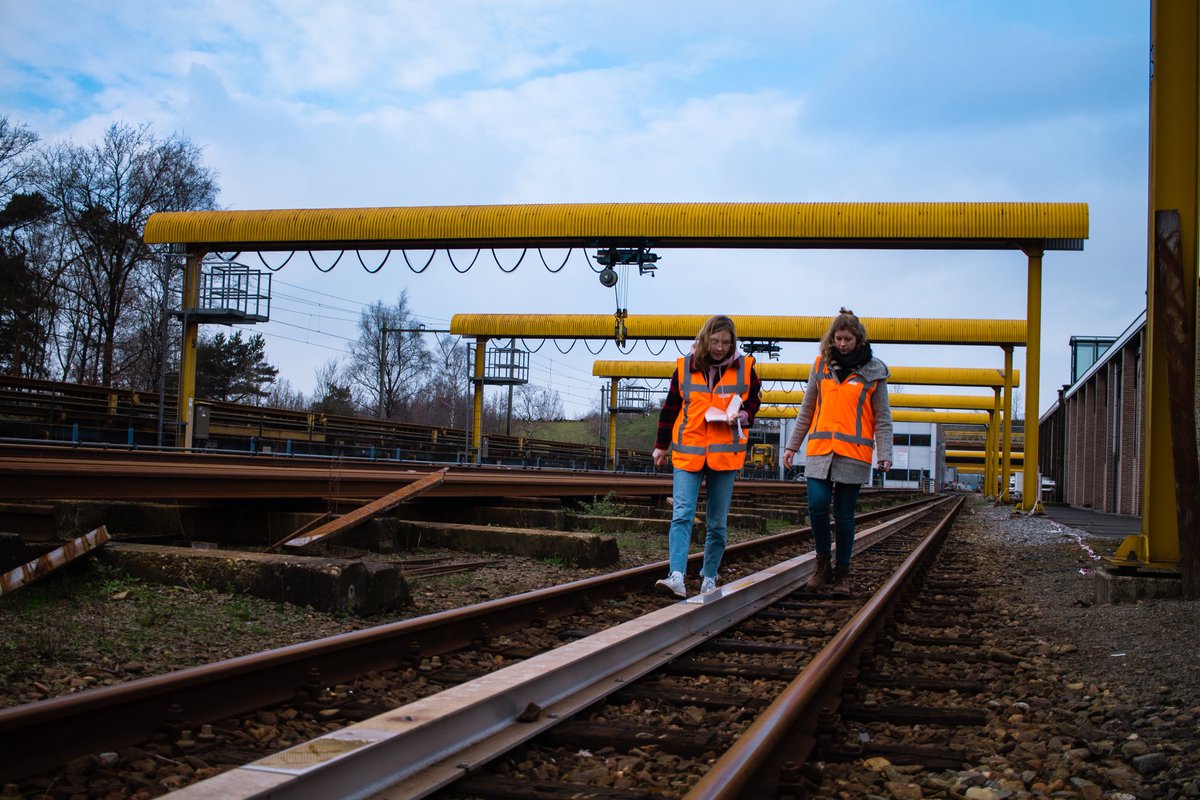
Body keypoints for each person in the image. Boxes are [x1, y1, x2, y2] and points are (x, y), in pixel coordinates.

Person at [783, 308, 893, 596]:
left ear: (858, 339)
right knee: (817, 506)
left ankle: (842, 571)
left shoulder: (874, 371)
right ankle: (822, 565)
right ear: (832, 339)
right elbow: (807, 409)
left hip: (853, 454)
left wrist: (885, 452)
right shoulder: (821, 365)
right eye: (838, 339)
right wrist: (792, 446)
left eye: (847, 339)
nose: (842, 344)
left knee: (844, 516)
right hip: (820, 450)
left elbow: (882, 418)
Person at [652, 315, 762, 598]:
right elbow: (671, 407)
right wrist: (661, 446)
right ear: (704, 339)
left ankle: (708, 577)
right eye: (715, 341)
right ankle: (676, 575)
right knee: (682, 514)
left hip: (724, 454)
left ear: (733, 342)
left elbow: (754, 401)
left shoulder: (746, 368)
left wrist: (744, 415)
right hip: (689, 450)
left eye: (726, 342)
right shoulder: (685, 367)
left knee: (716, 522)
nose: (720, 347)